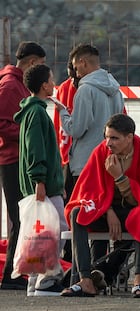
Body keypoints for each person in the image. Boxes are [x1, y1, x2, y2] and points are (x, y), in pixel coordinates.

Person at [61, 114, 140, 298]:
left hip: (132, 211)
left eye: (114, 138)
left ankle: (139, 279)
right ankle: (85, 280)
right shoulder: (100, 152)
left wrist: (120, 178)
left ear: (129, 137)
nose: (108, 143)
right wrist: (108, 211)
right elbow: (88, 190)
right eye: (106, 137)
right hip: (105, 211)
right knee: (77, 213)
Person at [13, 64, 68, 296]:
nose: (54, 83)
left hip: (42, 184)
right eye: (51, 79)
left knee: (39, 232)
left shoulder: (31, 111)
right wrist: (40, 180)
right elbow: (36, 149)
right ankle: (47, 279)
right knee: (58, 229)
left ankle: (34, 282)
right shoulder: (37, 113)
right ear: (44, 85)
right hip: (44, 185)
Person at [0, 41, 46, 290]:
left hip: (17, 159)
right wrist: (29, 132)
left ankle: (16, 272)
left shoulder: (15, 84)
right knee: (20, 219)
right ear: (31, 62)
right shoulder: (10, 86)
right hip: (12, 160)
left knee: (22, 218)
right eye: (40, 65)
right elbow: (3, 124)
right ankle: (11, 276)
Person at [54, 43, 124, 181]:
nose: (76, 73)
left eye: (75, 67)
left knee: (86, 203)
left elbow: (76, 129)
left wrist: (63, 113)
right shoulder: (116, 90)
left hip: (86, 162)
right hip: (110, 162)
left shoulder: (85, 90)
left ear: (83, 62)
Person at [53, 59, 80, 203]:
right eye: (71, 77)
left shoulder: (95, 90)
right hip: (67, 158)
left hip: (87, 157)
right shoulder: (63, 89)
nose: (74, 81)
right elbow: (57, 126)